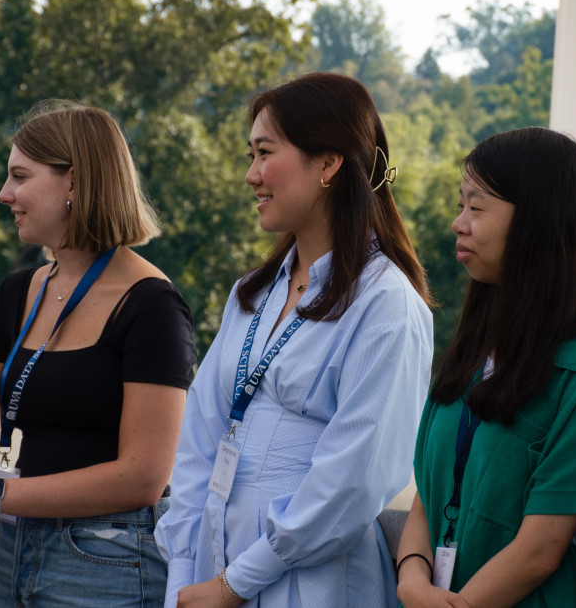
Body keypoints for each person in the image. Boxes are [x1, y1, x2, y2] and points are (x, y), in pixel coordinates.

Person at [155, 72, 434, 608]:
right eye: (250, 155)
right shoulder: (252, 294)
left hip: (312, 585)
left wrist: (234, 583)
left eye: (264, 153)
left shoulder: (386, 305)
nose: (251, 175)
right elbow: (198, 443)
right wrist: (185, 579)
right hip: (213, 573)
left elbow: (350, 482)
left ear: (328, 163)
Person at [0, 102, 197, 607]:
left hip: (105, 560)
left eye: (20, 176)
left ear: (75, 182)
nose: (5, 195)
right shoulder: (18, 292)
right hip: (12, 552)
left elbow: (144, 477)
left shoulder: (152, 305)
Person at [396, 127, 576, 608]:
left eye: (476, 207)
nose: (458, 222)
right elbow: (430, 494)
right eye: (460, 205)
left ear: (538, 220)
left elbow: (541, 549)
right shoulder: (476, 343)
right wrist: (411, 578)